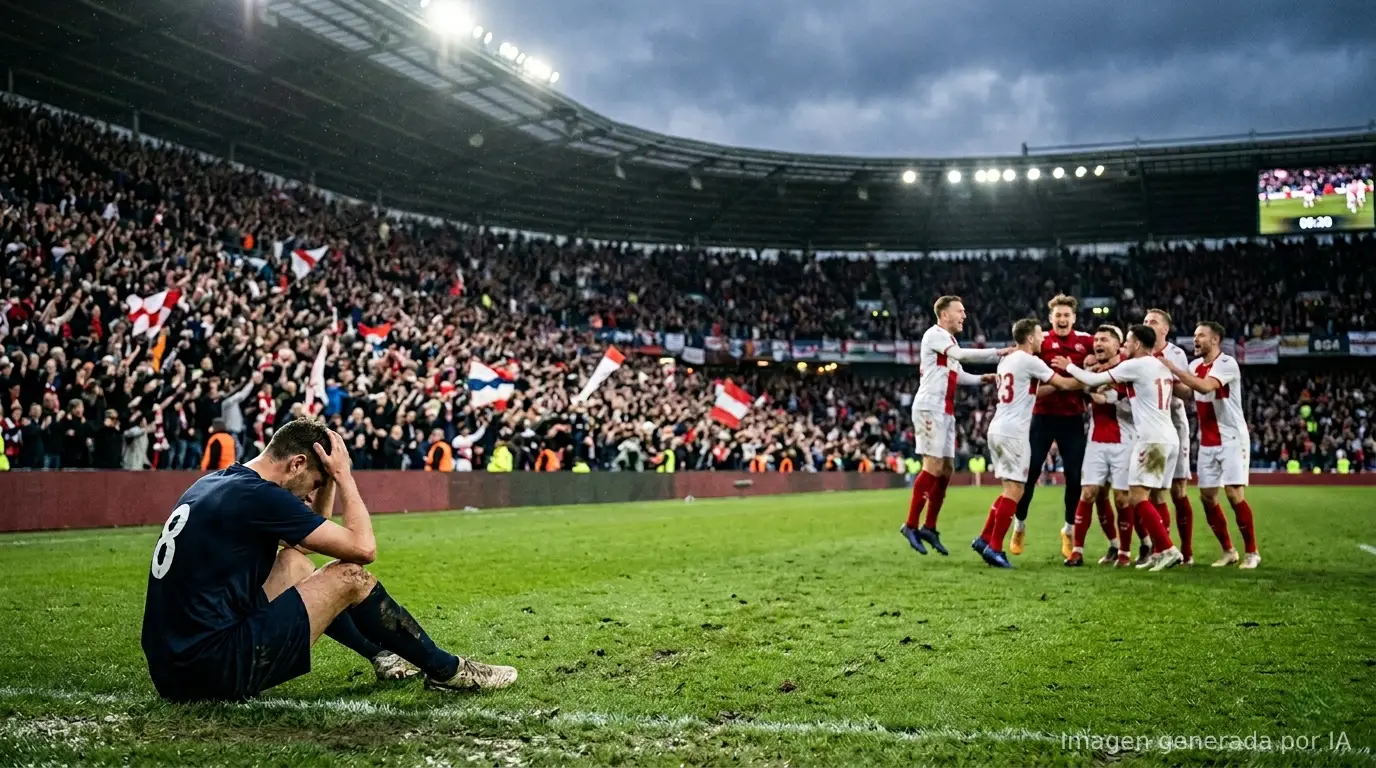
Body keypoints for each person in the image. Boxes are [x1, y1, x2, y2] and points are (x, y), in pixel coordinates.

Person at [141, 418, 517, 702]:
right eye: (316, 482)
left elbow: (304, 547)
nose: (315, 492)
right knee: (351, 577)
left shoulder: (218, 482)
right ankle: (446, 671)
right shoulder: (260, 497)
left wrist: (329, 481)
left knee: (295, 565)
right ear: (296, 464)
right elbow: (362, 549)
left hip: (171, 667)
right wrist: (345, 476)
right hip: (209, 671)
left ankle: (382, 656)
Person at [1057, 324, 1185, 571]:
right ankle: (1159, 551)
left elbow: (1093, 380)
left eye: (1127, 342)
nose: (1126, 346)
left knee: (1137, 497)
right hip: (1167, 437)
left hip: (1150, 439)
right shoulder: (1159, 366)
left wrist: (1069, 367)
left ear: (1137, 344)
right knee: (1151, 496)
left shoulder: (1135, 365)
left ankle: (1167, 548)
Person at [901, 295, 1008, 557]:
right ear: (944, 314)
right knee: (933, 466)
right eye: (960, 311)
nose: (964, 315)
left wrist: (984, 378)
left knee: (947, 470)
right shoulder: (935, 334)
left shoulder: (948, 341)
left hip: (945, 410)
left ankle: (930, 527)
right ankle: (911, 525)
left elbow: (957, 374)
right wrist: (999, 351)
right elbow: (960, 356)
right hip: (929, 407)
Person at [971, 319, 1076, 568]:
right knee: (1016, 491)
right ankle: (995, 549)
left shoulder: (1008, 360)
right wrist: (1085, 377)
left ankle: (985, 538)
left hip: (998, 428)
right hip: (1013, 433)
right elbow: (1062, 383)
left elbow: (1032, 392)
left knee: (1009, 489)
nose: (1043, 340)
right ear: (1030, 338)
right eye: (1040, 335)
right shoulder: (1030, 360)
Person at [1160, 321, 1260, 569]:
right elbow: (1188, 393)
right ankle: (1228, 551)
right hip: (1208, 440)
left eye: (1200, 336)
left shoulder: (1226, 363)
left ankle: (1252, 552)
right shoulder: (1194, 365)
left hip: (1232, 438)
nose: (1195, 340)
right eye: (1194, 335)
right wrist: (1164, 379)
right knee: (1207, 496)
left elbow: (1205, 386)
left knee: (1233, 493)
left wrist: (1173, 368)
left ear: (1215, 340)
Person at [1012, 295, 1095, 559]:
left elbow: (1109, 352)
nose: (1062, 319)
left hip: (1073, 419)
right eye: (1057, 315)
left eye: (1066, 315)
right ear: (1050, 318)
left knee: (1074, 478)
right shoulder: (1041, 341)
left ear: (1074, 318)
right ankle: (1020, 525)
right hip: (1042, 418)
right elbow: (1022, 367)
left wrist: (1094, 365)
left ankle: (1068, 531)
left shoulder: (1086, 342)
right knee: (1030, 473)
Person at [1069, 325, 1133, 567]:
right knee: (1089, 494)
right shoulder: (1092, 367)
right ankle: (1078, 551)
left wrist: (1086, 382)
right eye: (1096, 340)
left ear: (1118, 345)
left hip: (1124, 441)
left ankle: (1126, 552)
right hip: (1096, 440)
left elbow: (1105, 397)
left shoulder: (1127, 367)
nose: (1098, 344)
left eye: (1104, 340)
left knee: (1122, 499)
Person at [1144, 308, 1196, 566]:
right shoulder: (1139, 350)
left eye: (1153, 321)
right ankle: (1159, 549)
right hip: (1146, 427)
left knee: (1177, 490)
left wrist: (1164, 373)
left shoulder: (1175, 354)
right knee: (1152, 491)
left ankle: (1186, 552)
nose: (1147, 324)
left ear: (1165, 329)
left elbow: (1187, 393)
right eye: (1145, 321)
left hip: (1174, 424)